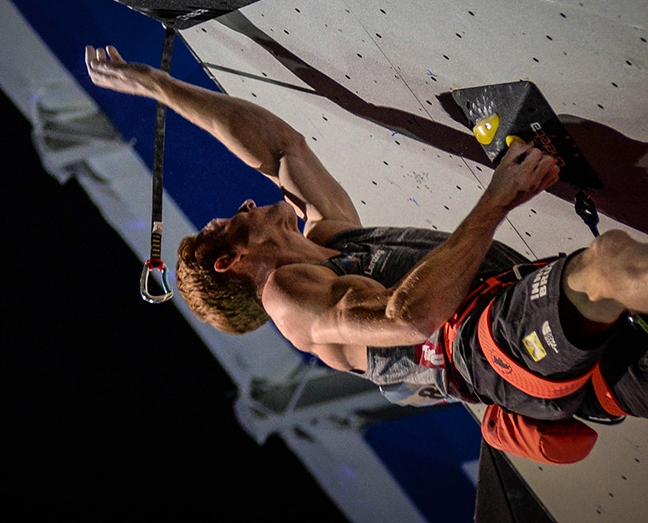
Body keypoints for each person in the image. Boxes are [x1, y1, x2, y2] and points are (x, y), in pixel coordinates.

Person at [85, 45, 648, 461]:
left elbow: (280, 147)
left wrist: (161, 86)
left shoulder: (332, 237)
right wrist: (497, 200)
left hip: (544, 343)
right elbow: (410, 317)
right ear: (229, 261)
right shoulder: (288, 299)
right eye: (227, 222)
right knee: (609, 264)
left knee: (618, 279)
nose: (248, 201)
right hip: (495, 346)